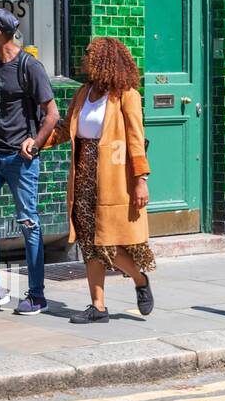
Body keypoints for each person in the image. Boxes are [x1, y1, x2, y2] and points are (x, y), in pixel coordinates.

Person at [43, 36, 155, 323]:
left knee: (109, 243)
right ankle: (98, 307)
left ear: (105, 59)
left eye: (90, 54)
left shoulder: (126, 95)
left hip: (115, 176)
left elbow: (135, 140)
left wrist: (141, 178)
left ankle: (139, 279)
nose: (85, 58)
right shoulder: (83, 93)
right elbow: (67, 129)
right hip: (83, 175)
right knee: (89, 242)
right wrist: (37, 142)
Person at [0, 8, 60, 313]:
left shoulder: (29, 66)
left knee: (28, 223)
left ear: (0, 34)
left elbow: (52, 114)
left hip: (21, 158)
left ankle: (37, 294)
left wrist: (36, 141)